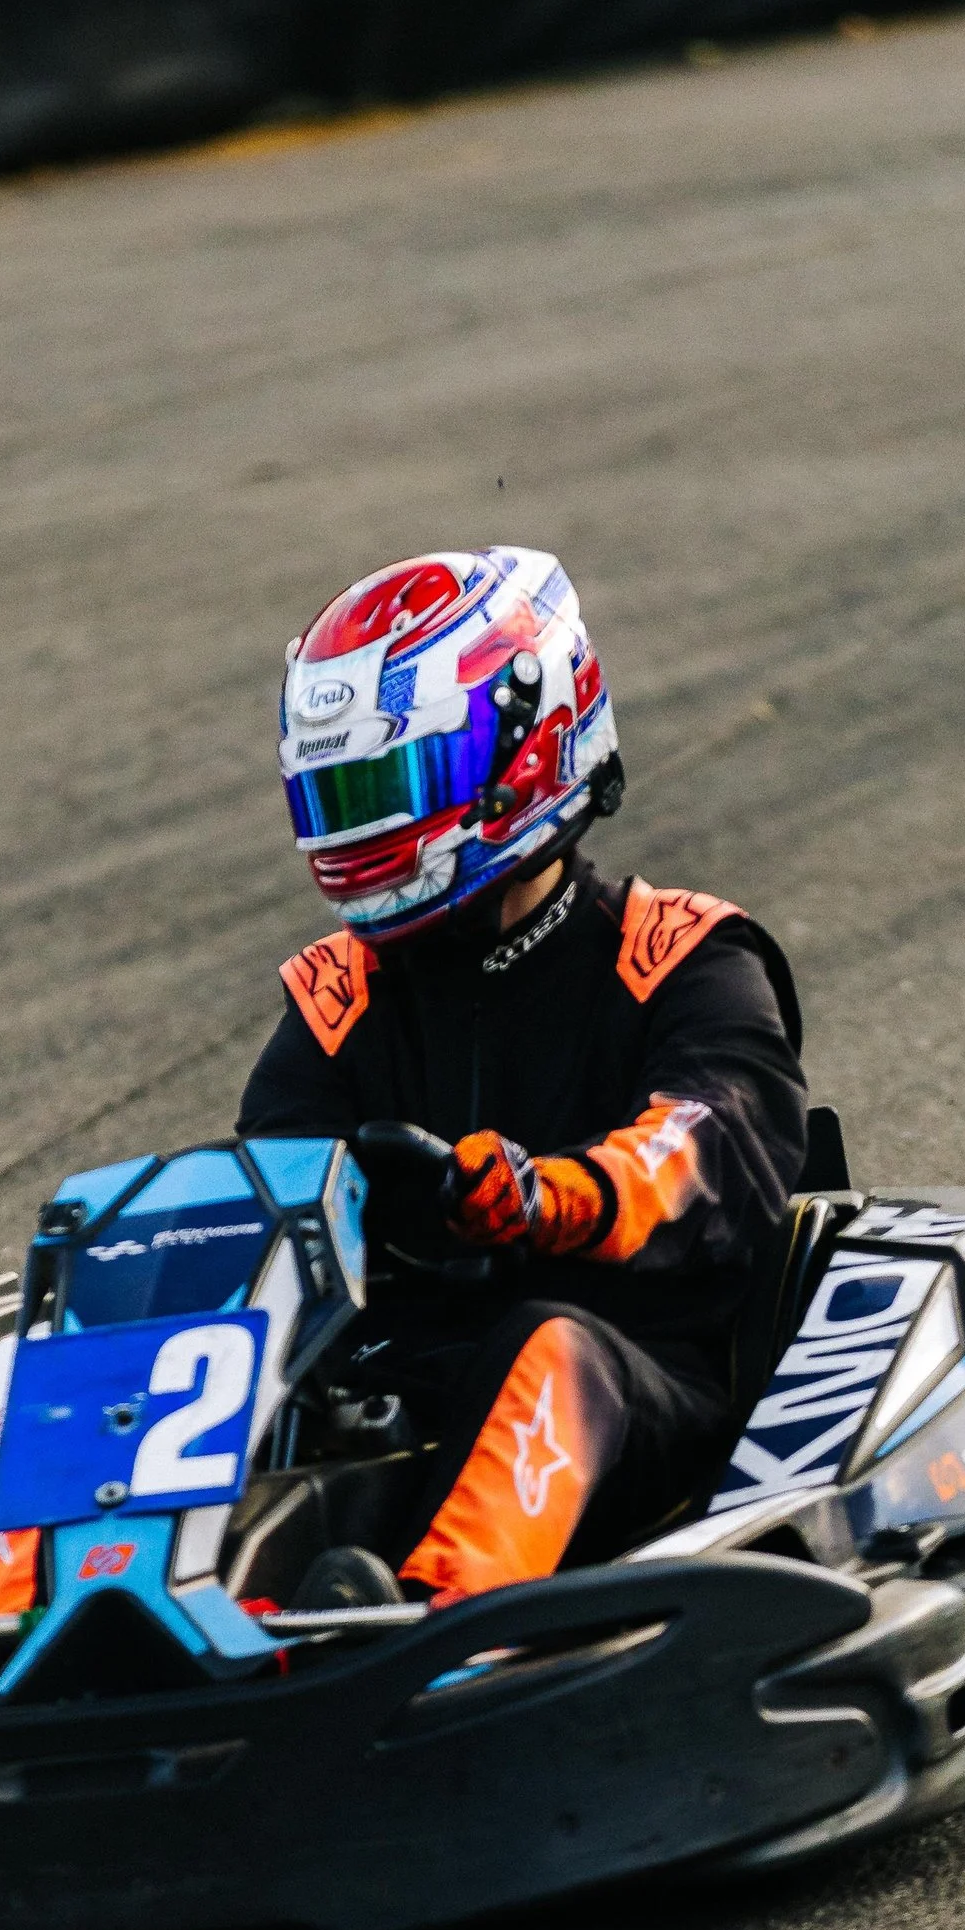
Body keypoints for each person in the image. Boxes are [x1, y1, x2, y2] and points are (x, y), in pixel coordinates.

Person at [235, 546, 808, 1603]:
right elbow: (263, 1202)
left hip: (638, 1386)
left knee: (546, 1349)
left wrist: (534, 1198)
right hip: (400, 1385)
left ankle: (425, 1630)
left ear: (519, 750)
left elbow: (705, 1152)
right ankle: (11, 1622)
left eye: (389, 785)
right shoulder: (337, 997)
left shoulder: (682, 957)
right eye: (337, 795)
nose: (363, 830)